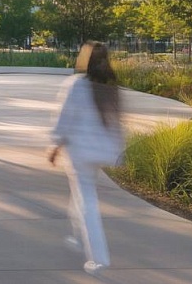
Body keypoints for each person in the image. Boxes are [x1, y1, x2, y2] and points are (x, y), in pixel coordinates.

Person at [48, 41, 124, 276]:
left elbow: (65, 118)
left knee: (87, 201)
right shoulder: (111, 87)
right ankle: (77, 237)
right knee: (81, 192)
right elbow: (117, 123)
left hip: (80, 151)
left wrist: (55, 145)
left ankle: (98, 259)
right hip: (101, 151)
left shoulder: (77, 85)